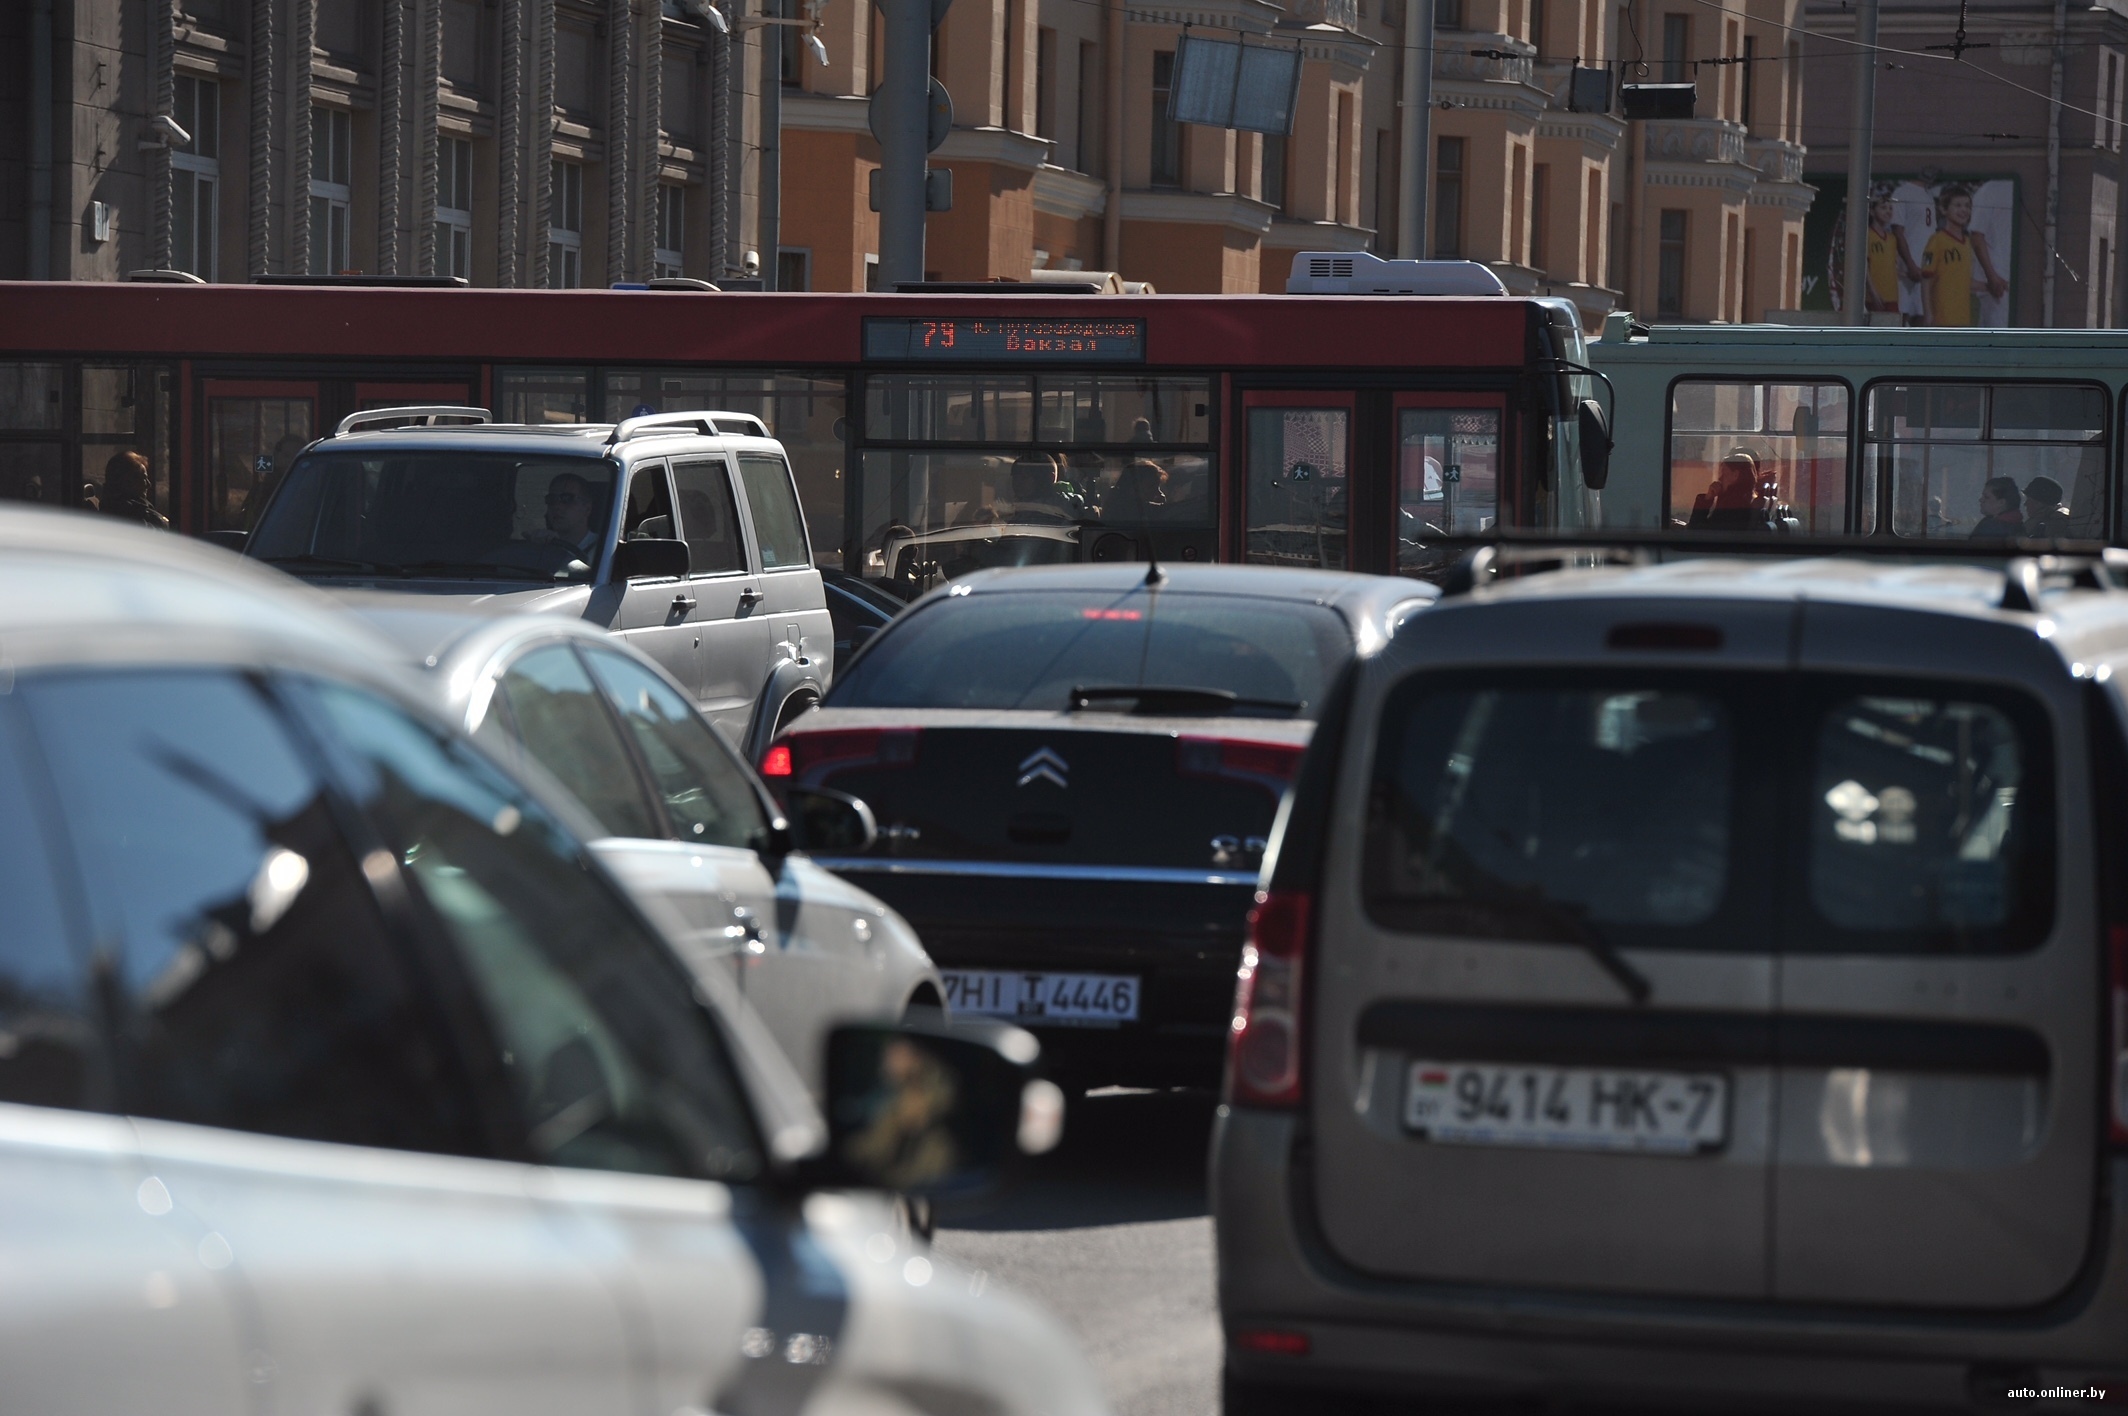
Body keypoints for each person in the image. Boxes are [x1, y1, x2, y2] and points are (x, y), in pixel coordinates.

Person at [1921, 184, 2008, 327]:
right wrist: (1928, 314)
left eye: (1967, 206)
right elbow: (1926, 280)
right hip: (1942, 318)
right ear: (1944, 209)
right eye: (1958, 205)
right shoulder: (1937, 240)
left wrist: (1990, 286)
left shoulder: (1967, 244)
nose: (1964, 210)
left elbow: (1963, 281)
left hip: (1962, 319)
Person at [1864, 184, 1924, 317]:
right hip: (1874, 296)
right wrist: (1873, 291)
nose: (1888, 212)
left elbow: (1891, 266)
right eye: (1883, 208)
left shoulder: (1892, 239)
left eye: (1890, 208)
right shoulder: (1867, 235)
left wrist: (1910, 274)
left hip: (1892, 295)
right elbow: (1864, 267)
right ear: (1872, 211)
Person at [532, 472, 603, 559]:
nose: (557, 506)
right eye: (551, 499)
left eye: (567, 499)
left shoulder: (604, 549)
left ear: (587, 508)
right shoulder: (541, 545)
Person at [1007, 452, 1092, 522]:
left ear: (1048, 478)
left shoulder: (1037, 510)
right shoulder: (1074, 503)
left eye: (1024, 477)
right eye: (1015, 477)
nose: (1017, 483)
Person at [100, 451, 169, 529]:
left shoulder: (136, 509)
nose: (148, 484)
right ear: (128, 481)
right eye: (144, 478)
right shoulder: (125, 515)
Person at [1968, 475, 2025, 539]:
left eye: (1986, 497)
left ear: (2001, 502)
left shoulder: (1990, 528)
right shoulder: (2019, 526)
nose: (1981, 500)